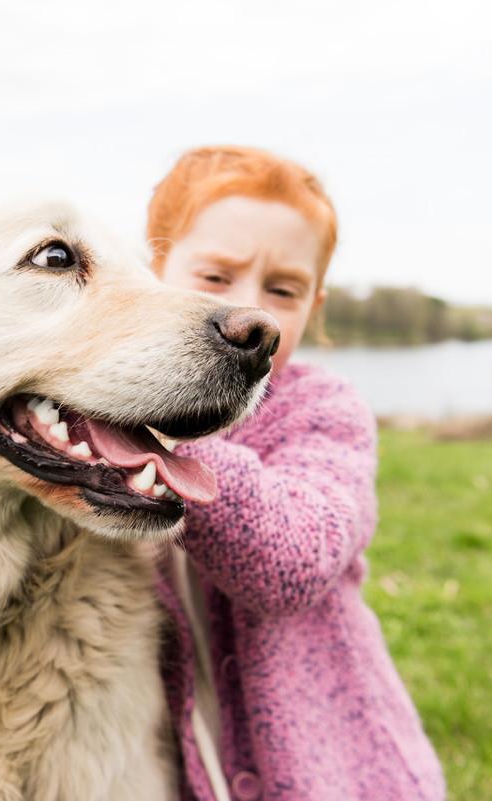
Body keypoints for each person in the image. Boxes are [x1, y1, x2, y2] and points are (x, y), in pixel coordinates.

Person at [147, 146, 446, 801]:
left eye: (283, 289)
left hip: (339, 774)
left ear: (315, 304)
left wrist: (164, 439)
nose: (249, 309)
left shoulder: (323, 410)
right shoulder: (103, 418)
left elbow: (293, 561)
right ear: (152, 271)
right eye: (215, 277)